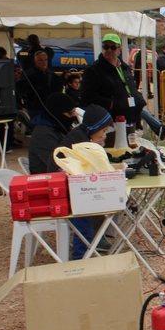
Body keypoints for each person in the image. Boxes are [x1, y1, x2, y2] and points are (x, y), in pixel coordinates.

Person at [49, 104, 114, 260]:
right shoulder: (78, 141)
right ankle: (80, 259)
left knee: (89, 218)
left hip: (74, 186)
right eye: (104, 131)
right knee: (84, 223)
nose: (105, 135)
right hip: (65, 188)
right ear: (94, 128)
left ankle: (89, 248)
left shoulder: (83, 136)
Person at [81, 33, 147, 131]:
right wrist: (111, 104)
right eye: (105, 47)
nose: (109, 50)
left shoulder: (124, 67)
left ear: (119, 49)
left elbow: (131, 87)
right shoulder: (94, 69)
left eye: (112, 47)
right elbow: (86, 97)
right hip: (110, 122)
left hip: (129, 118)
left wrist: (138, 99)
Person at [28, 93, 78, 174]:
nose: (74, 115)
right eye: (70, 112)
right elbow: (58, 164)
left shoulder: (59, 127)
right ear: (57, 114)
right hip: (46, 179)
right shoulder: (42, 135)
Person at [17, 50, 65, 121]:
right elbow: (21, 90)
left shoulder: (52, 74)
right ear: (35, 61)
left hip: (50, 107)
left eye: (45, 60)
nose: (44, 62)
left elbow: (59, 88)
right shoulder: (29, 75)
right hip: (35, 108)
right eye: (41, 60)